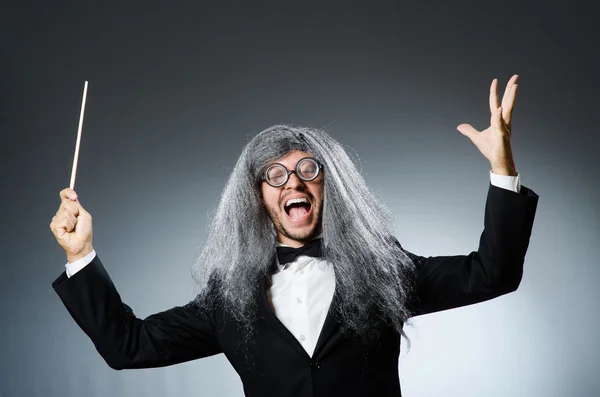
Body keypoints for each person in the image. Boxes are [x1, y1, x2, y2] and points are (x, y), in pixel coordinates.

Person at [50, 75, 538, 397]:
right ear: (257, 198)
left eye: (308, 169)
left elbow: (494, 272)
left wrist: (502, 168)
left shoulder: (387, 273)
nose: (295, 183)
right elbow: (129, 346)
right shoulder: (228, 298)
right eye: (275, 176)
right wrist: (82, 256)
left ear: (331, 185)